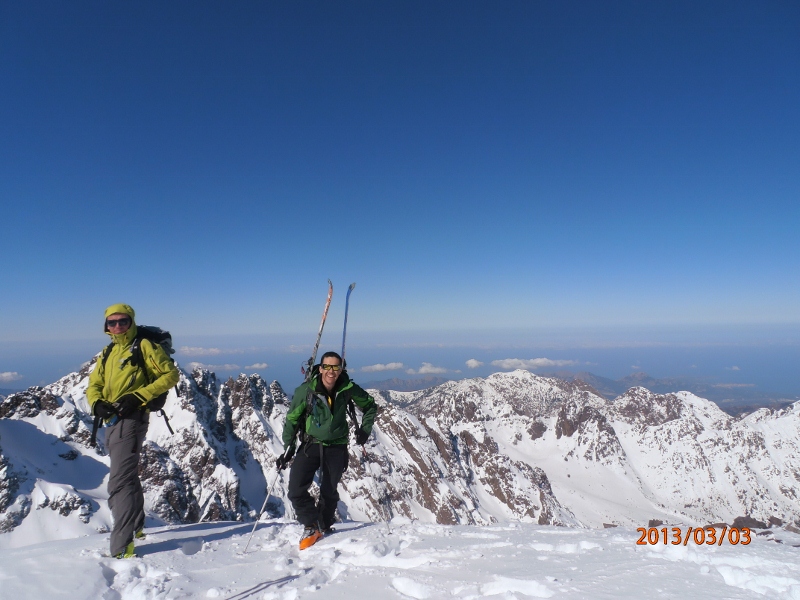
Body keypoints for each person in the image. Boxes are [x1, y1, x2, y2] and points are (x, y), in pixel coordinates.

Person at [86, 303, 180, 558]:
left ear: (132, 322)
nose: (117, 326)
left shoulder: (143, 346)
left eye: (123, 321)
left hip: (133, 419)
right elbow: (93, 384)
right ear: (106, 326)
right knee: (127, 476)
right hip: (112, 422)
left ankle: (121, 545)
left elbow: (171, 375)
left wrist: (138, 396)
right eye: (112, 322)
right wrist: (97, 403)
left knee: (119, 481)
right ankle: (136, 527)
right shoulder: (109, 352)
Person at [279, 351, 377, 550]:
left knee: (329, 491)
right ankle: (311, 524)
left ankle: (322, 525)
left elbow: (370, 406)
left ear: (341, 370)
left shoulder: (348, 389)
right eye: (328, 367)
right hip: (310, 444)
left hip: (337, 447)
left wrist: (365, 430)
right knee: (296, 490)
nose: (331, 372)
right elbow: (292, 419)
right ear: (320, 368)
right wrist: (288, 448)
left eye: (336, 367)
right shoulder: (306, 390)